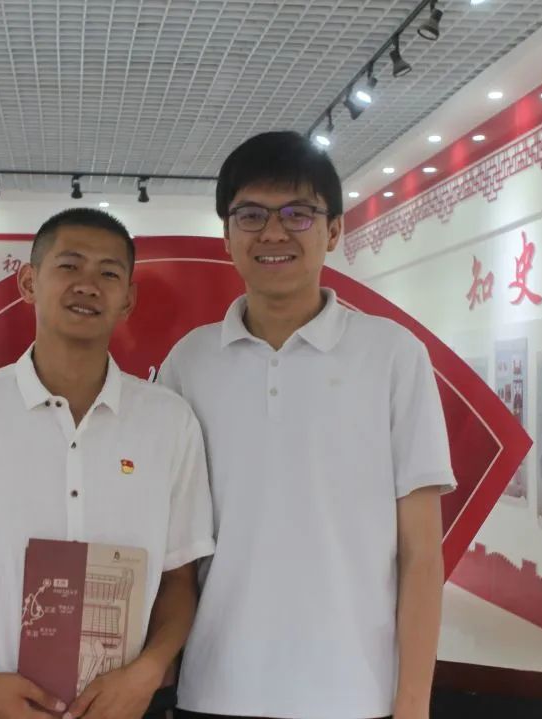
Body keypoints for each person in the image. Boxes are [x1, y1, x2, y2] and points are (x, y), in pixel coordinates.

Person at [158, 131, 456, 719]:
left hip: (354, 694)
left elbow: (421, 553)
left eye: (298, 213)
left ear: (334, 230)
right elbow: (172, 548)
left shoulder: (393, 355)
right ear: (227, 235)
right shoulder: (189, 363)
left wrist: (413, 702)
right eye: (251, 215)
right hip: (214, 688)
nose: (273, 233)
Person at [0, 208, 215, 719]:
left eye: (109, 273)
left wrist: (149, 672)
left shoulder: (170, 422)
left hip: (128, 707)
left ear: (128, 299)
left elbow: (180, 578)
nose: (88, 284)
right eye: (69, 265)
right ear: (28, 282)